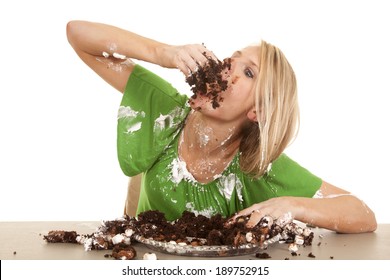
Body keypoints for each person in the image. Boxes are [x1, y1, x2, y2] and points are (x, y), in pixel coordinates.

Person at [66, 20, 377, 234]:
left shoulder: (258, 168)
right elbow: (78, 33)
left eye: (250, 73)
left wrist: (292, 206)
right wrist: (164, 53)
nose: (229, 67)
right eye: (233, 59)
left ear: (259, 110)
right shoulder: (166, 111)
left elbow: (362, 214)